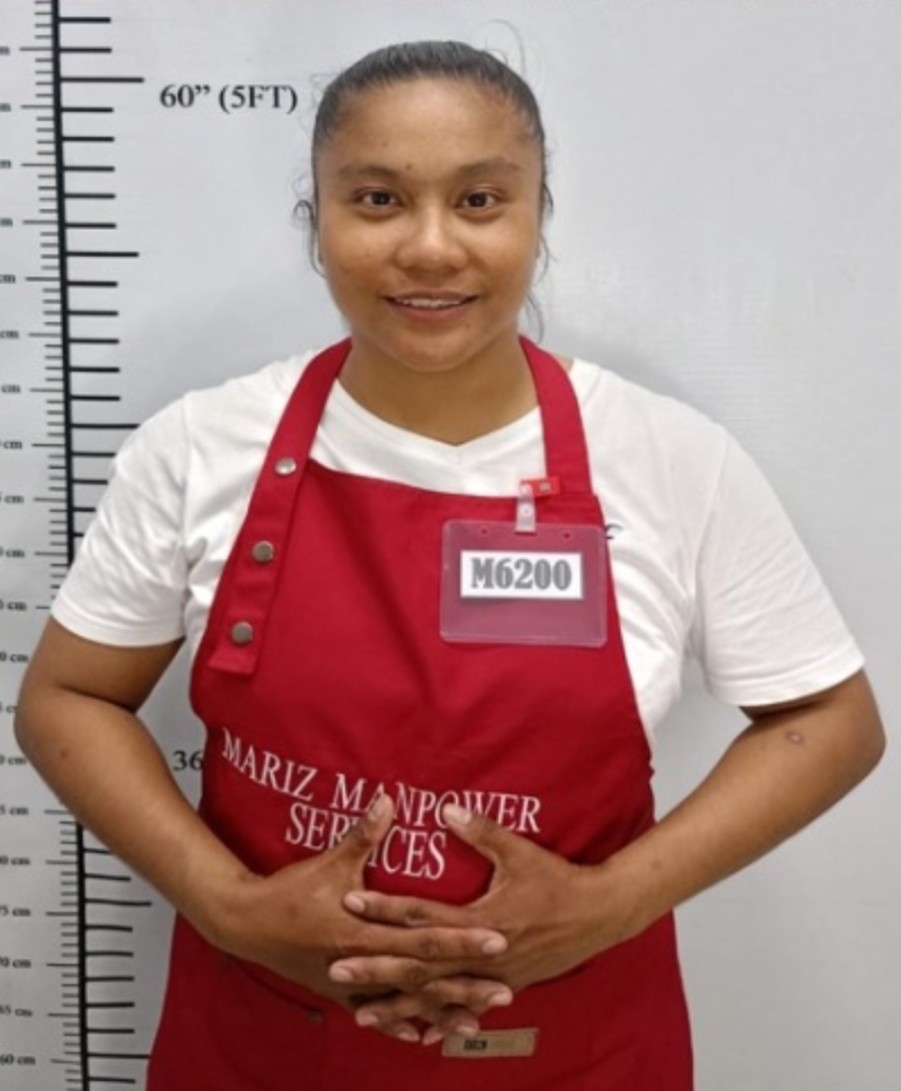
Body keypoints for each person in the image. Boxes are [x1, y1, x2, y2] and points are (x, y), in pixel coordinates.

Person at [15, 40, 884, 1091]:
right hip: (262, 1036)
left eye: (479, 200)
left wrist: (608, 903)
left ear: (536, 216)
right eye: (378, 199)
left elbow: (830, 720)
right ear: (317, 220)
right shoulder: (199, 447)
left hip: (578, 1043)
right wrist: (229, 906)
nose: (430, 248)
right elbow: (68, 697)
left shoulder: (671, 460)